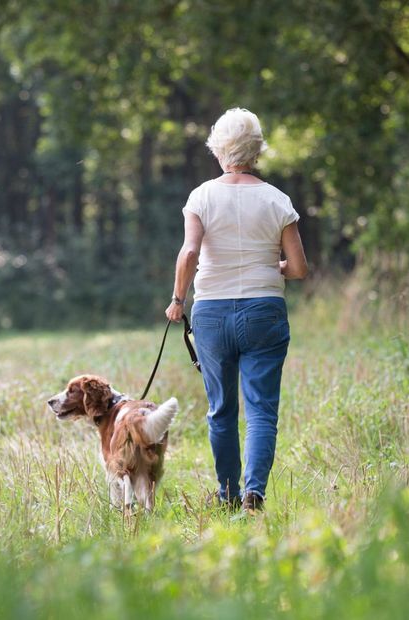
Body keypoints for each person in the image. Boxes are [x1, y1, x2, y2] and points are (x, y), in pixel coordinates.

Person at [165, 108, 309, 512]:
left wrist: (178, 300)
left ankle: (227, 495)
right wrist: (272, 265)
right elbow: (298, 269)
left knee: (221, 410)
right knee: (261, 410)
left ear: (219, 150)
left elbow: (190, 251)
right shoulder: (277, 199)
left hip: (211, 313)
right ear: (257, 151)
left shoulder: (202, 196)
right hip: (264, 310)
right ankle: (253, 495)